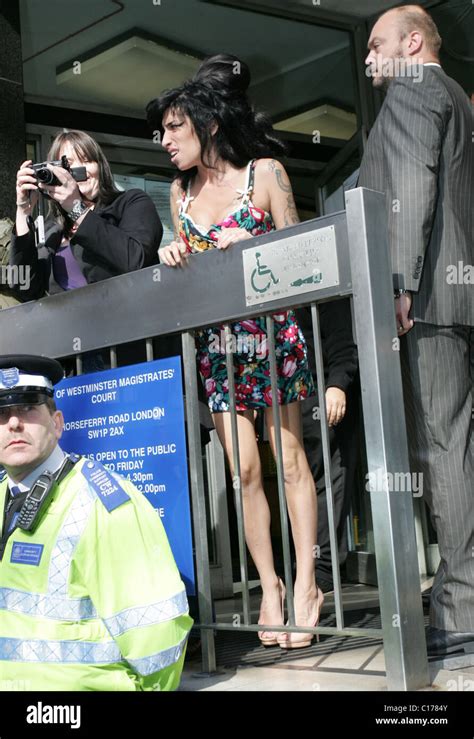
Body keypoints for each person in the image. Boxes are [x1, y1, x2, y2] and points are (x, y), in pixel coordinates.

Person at [147, 54, 323, 649]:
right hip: (220, 350)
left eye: (175, 127)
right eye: (163, 131)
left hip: (272, 338)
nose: (165, 140)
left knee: (289, 461)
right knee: (243, 470)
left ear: (209, 124)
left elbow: (306, 261)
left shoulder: (265, 174)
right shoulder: (178, 193)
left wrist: (261, 243)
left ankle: (306, 584)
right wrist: (173, 256)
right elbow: (192, 276)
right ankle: (270, 588)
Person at [359, 5, 473, 658]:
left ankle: (459, 607)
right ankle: (459, 593)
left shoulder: (413, 87)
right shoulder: (455, 95)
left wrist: (397, 282)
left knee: (441, 447)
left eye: (377, 44)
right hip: (451, 295)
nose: (370, 57)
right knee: (451, 442)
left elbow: (407, 185)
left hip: (424, 299)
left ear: (412, 41)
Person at [0, 354, 192, 690]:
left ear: (57, 423)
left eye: (28, 409)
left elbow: (158, 642)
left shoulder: (107, 505)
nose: (14, 424)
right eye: (1, 414)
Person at [10, 129, 162, 302]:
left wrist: (76, 208)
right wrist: (23, 210)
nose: (79, 170)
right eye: (69, 164)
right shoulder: (51, 228)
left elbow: (135, 260)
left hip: (125, 323)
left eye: (87, 160)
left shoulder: (131, 202)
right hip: (66, 327)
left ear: (101, 167)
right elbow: (23, 288)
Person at [296, 299, 359, 593]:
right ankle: (315, 567)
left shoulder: (316, 274)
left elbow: (341, 336)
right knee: (309, 479)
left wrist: (337, 383)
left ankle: (323, 568)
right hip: (298, 392)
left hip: (323, 389)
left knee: (330, 477)